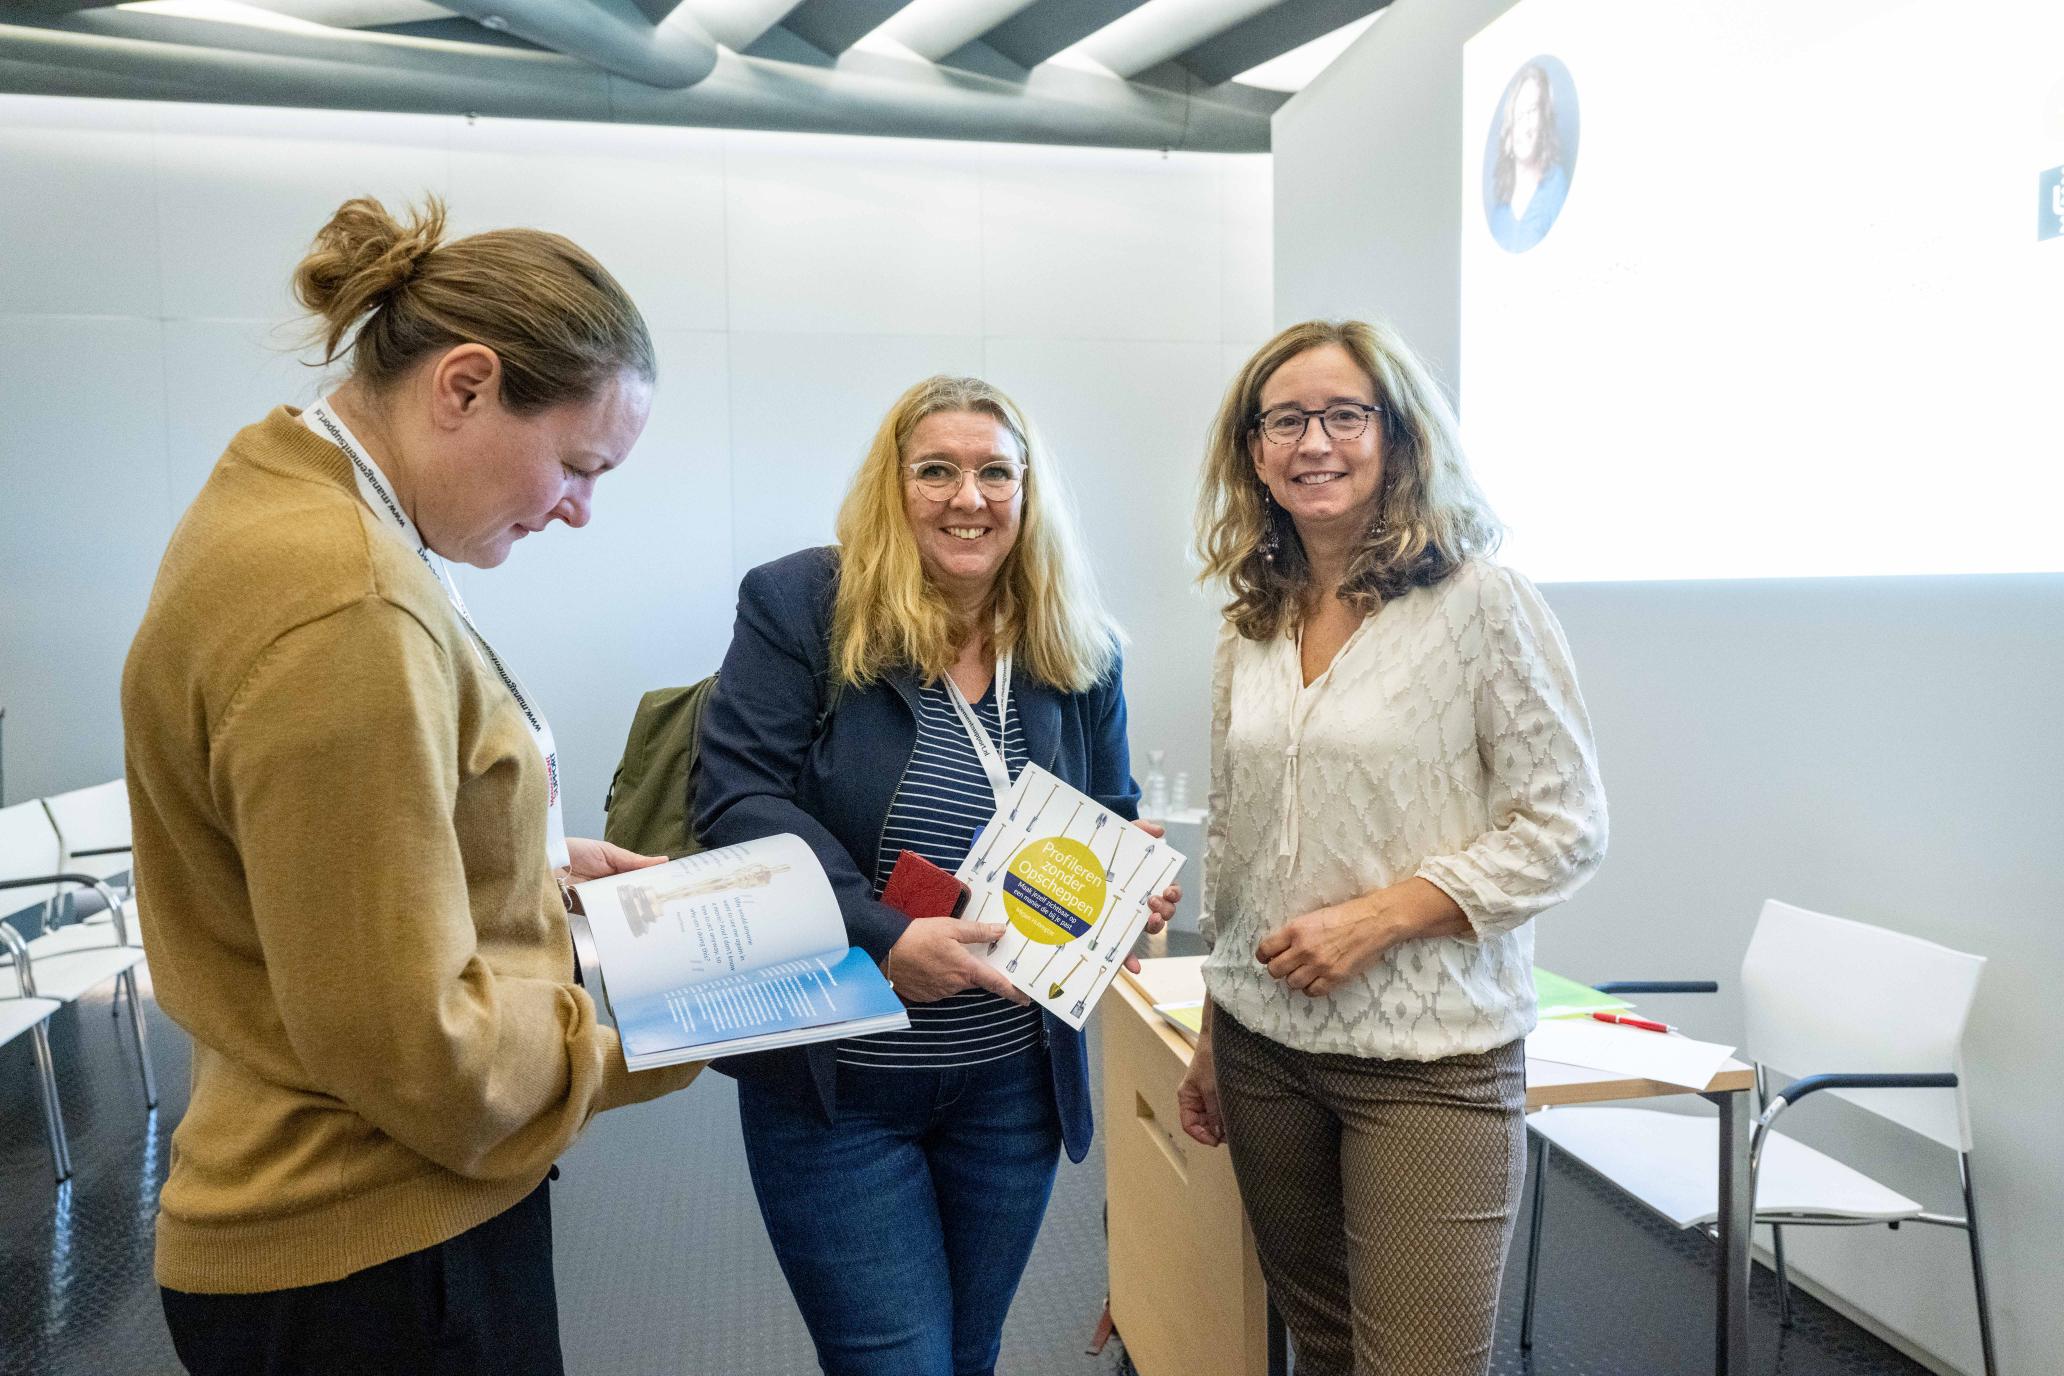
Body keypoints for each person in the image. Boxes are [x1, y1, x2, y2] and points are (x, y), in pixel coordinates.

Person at [122, 195, 703, 1376]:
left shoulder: (286, 500)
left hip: (323, 1225)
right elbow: (418, 1048)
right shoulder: (347, 596)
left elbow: (316, 867)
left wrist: (530, 864)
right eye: (579, 464)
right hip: (371, 1254)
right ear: (466, 385)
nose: (580, 509)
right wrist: (655, 1019)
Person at [696, 375, 1179, 1376]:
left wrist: (1131, 888)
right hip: (844, 1077)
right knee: (894, 1360)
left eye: (996, 470)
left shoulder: (1078, 643)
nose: (970, 496)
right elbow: (739, 804)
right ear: (893, 484)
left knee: (968, 1350)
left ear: (1027, 490)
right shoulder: (802, 607)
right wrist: (881, 936)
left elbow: (1111, 811)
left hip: (1011, 1083)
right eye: (939, 470)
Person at [1178, 320, 1606, 1376]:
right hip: (1264, 1046)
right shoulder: (1254, 617)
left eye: (1343, 414)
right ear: (1253, 450)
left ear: (1399, 435)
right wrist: (1210, 1022)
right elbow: (1235, 831)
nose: (1313, 441)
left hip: (1429, 1063)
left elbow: (1568, 825)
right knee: (1323, 1348)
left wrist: (1381, 916)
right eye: (1284, 419)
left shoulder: (1482, 601)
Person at [1488, 61, 1571, 252]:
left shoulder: (1556, 187)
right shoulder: (1498, 215)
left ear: (1544, 118)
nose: (1524, 127)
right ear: (1508, 133)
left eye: (1532, 111)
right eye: (1518, 116)